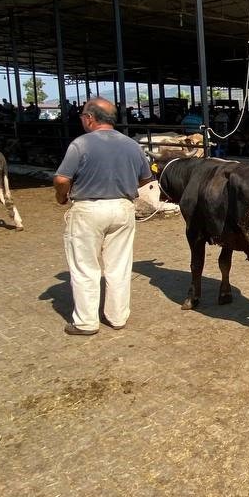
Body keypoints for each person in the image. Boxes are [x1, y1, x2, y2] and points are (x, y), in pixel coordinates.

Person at [53, 98, 154, 336]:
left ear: (90, 118)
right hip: (123, 207)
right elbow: (145, 178)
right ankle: (117, 317)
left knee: (85, 266)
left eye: (82, 116)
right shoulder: (132, 145)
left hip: (88, 209)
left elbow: (61, 179)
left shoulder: (81, 144)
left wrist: (61, 196)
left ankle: (86, 322)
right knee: (119, 265)